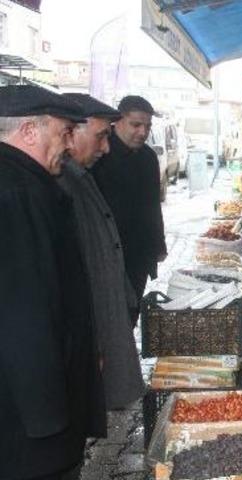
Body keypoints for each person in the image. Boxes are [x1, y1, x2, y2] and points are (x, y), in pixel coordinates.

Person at [0, 85, 106, 479]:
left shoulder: (27, 183)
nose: (68, 144)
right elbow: (22, 311)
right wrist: (49, 421)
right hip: (29, 426)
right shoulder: (17, 192)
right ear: (30, 131)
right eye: (63, 132)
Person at [57, 93, 146, 411]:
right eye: (101, 136)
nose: (105, 148)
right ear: (71, 131)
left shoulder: (78, 177)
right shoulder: (61, 184)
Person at [91, 95, 167, 315]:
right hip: (106, 253)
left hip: (138, 253)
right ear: (118, 121)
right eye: (136, 125)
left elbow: (153, 205)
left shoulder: (148, 158)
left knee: (132, 308)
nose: (142, 132)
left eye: (147, 126)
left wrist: (158, 244)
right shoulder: (100, 154)